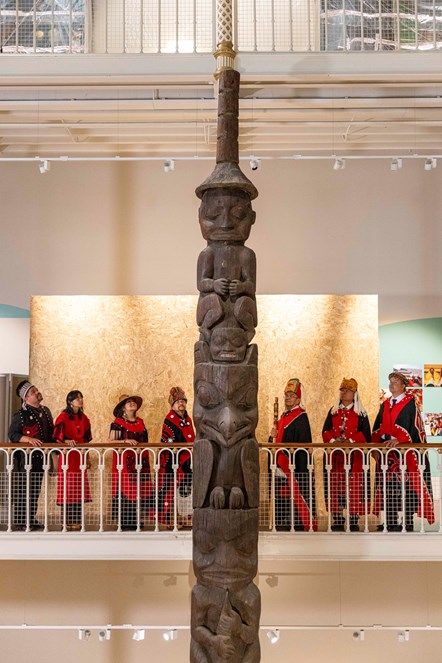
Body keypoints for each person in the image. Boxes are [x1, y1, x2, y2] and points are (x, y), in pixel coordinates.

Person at [372, 371, 434, 532]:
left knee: (407, 488)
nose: (391, 385)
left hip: (405, 456)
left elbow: (414, 427)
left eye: (395, 382)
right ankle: (390, 521)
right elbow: (378, 426)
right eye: (390, 381)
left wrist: (400, 440)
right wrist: (376, 445)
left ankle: (407, 521)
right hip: (388, 455)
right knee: (388, 488)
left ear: (403, 385)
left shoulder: (410, 403)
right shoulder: (385, 404)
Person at [322, 378, 371, 532]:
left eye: (347, 391)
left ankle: (354, 518)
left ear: (354, 393)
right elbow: (325, 431)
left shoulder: (361, 413)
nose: (344, 393)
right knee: (335, 487)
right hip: (335, 458)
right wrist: (332, 441)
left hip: (354, 458)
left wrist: (350, 441)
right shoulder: (333, 411)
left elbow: (365, 434)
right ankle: (337, 518)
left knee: (355, 487)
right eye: (342, 391)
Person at [269, 378, 315, 531]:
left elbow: (302, 447)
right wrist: (272, 436)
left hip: (293, 466)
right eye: (286, 395)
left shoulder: (301, 417)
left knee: (295, 494)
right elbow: (276, 441)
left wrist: (290, 462)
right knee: (281, 494)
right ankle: (281, 519)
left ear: (298, 399)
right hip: (280, 465)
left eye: (291, 395)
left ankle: (296, 520)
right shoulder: (283, 416)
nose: (288, 398)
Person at [8, 380, 54, 531]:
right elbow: (12, 434)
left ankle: (30, 519)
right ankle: (21, 521)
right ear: (26, 398)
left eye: (36, 390)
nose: (37, 392)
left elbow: (52, 434)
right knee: (24, 489)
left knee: (35, 490)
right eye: (33, 392)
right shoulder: (20, 415)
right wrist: (28, 439)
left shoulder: (46, 411)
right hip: (26, 459)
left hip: (41, 458)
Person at [109, 394, 151, 531]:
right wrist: (124, 441)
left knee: (140, 487)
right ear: (123, 408)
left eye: (133, 402)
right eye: (128, 402)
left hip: (141, 459)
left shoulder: (141, 422)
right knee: (126, 488)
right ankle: (125, 520)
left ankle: (137, 518)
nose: (132, 404)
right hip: (125, 461)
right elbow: (109, 442)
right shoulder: (118, 423)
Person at [53, 390, 92, 531]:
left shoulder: (84, 418)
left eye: (81, 397)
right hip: (67, 457)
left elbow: (86, 440)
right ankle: (66, 521)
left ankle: (78, 521)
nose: (80, 400)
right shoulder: (62, 417)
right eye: (77, 398)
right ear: (70, 401)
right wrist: (66, 441)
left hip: (80, 456)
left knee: (79, 488)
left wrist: (87, 457)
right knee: (67, 489)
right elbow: (57, 437)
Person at [160, 386, 195, 528]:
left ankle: (183, 517)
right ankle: (169, 520)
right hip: (173, 461)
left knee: (185, 491)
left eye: (183, 401)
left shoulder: (188, 419)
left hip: (187, 461)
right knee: (170, 491)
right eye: (178, 401)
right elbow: (168, 442)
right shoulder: (169, 420)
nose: (181, 404)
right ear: (172, 404)